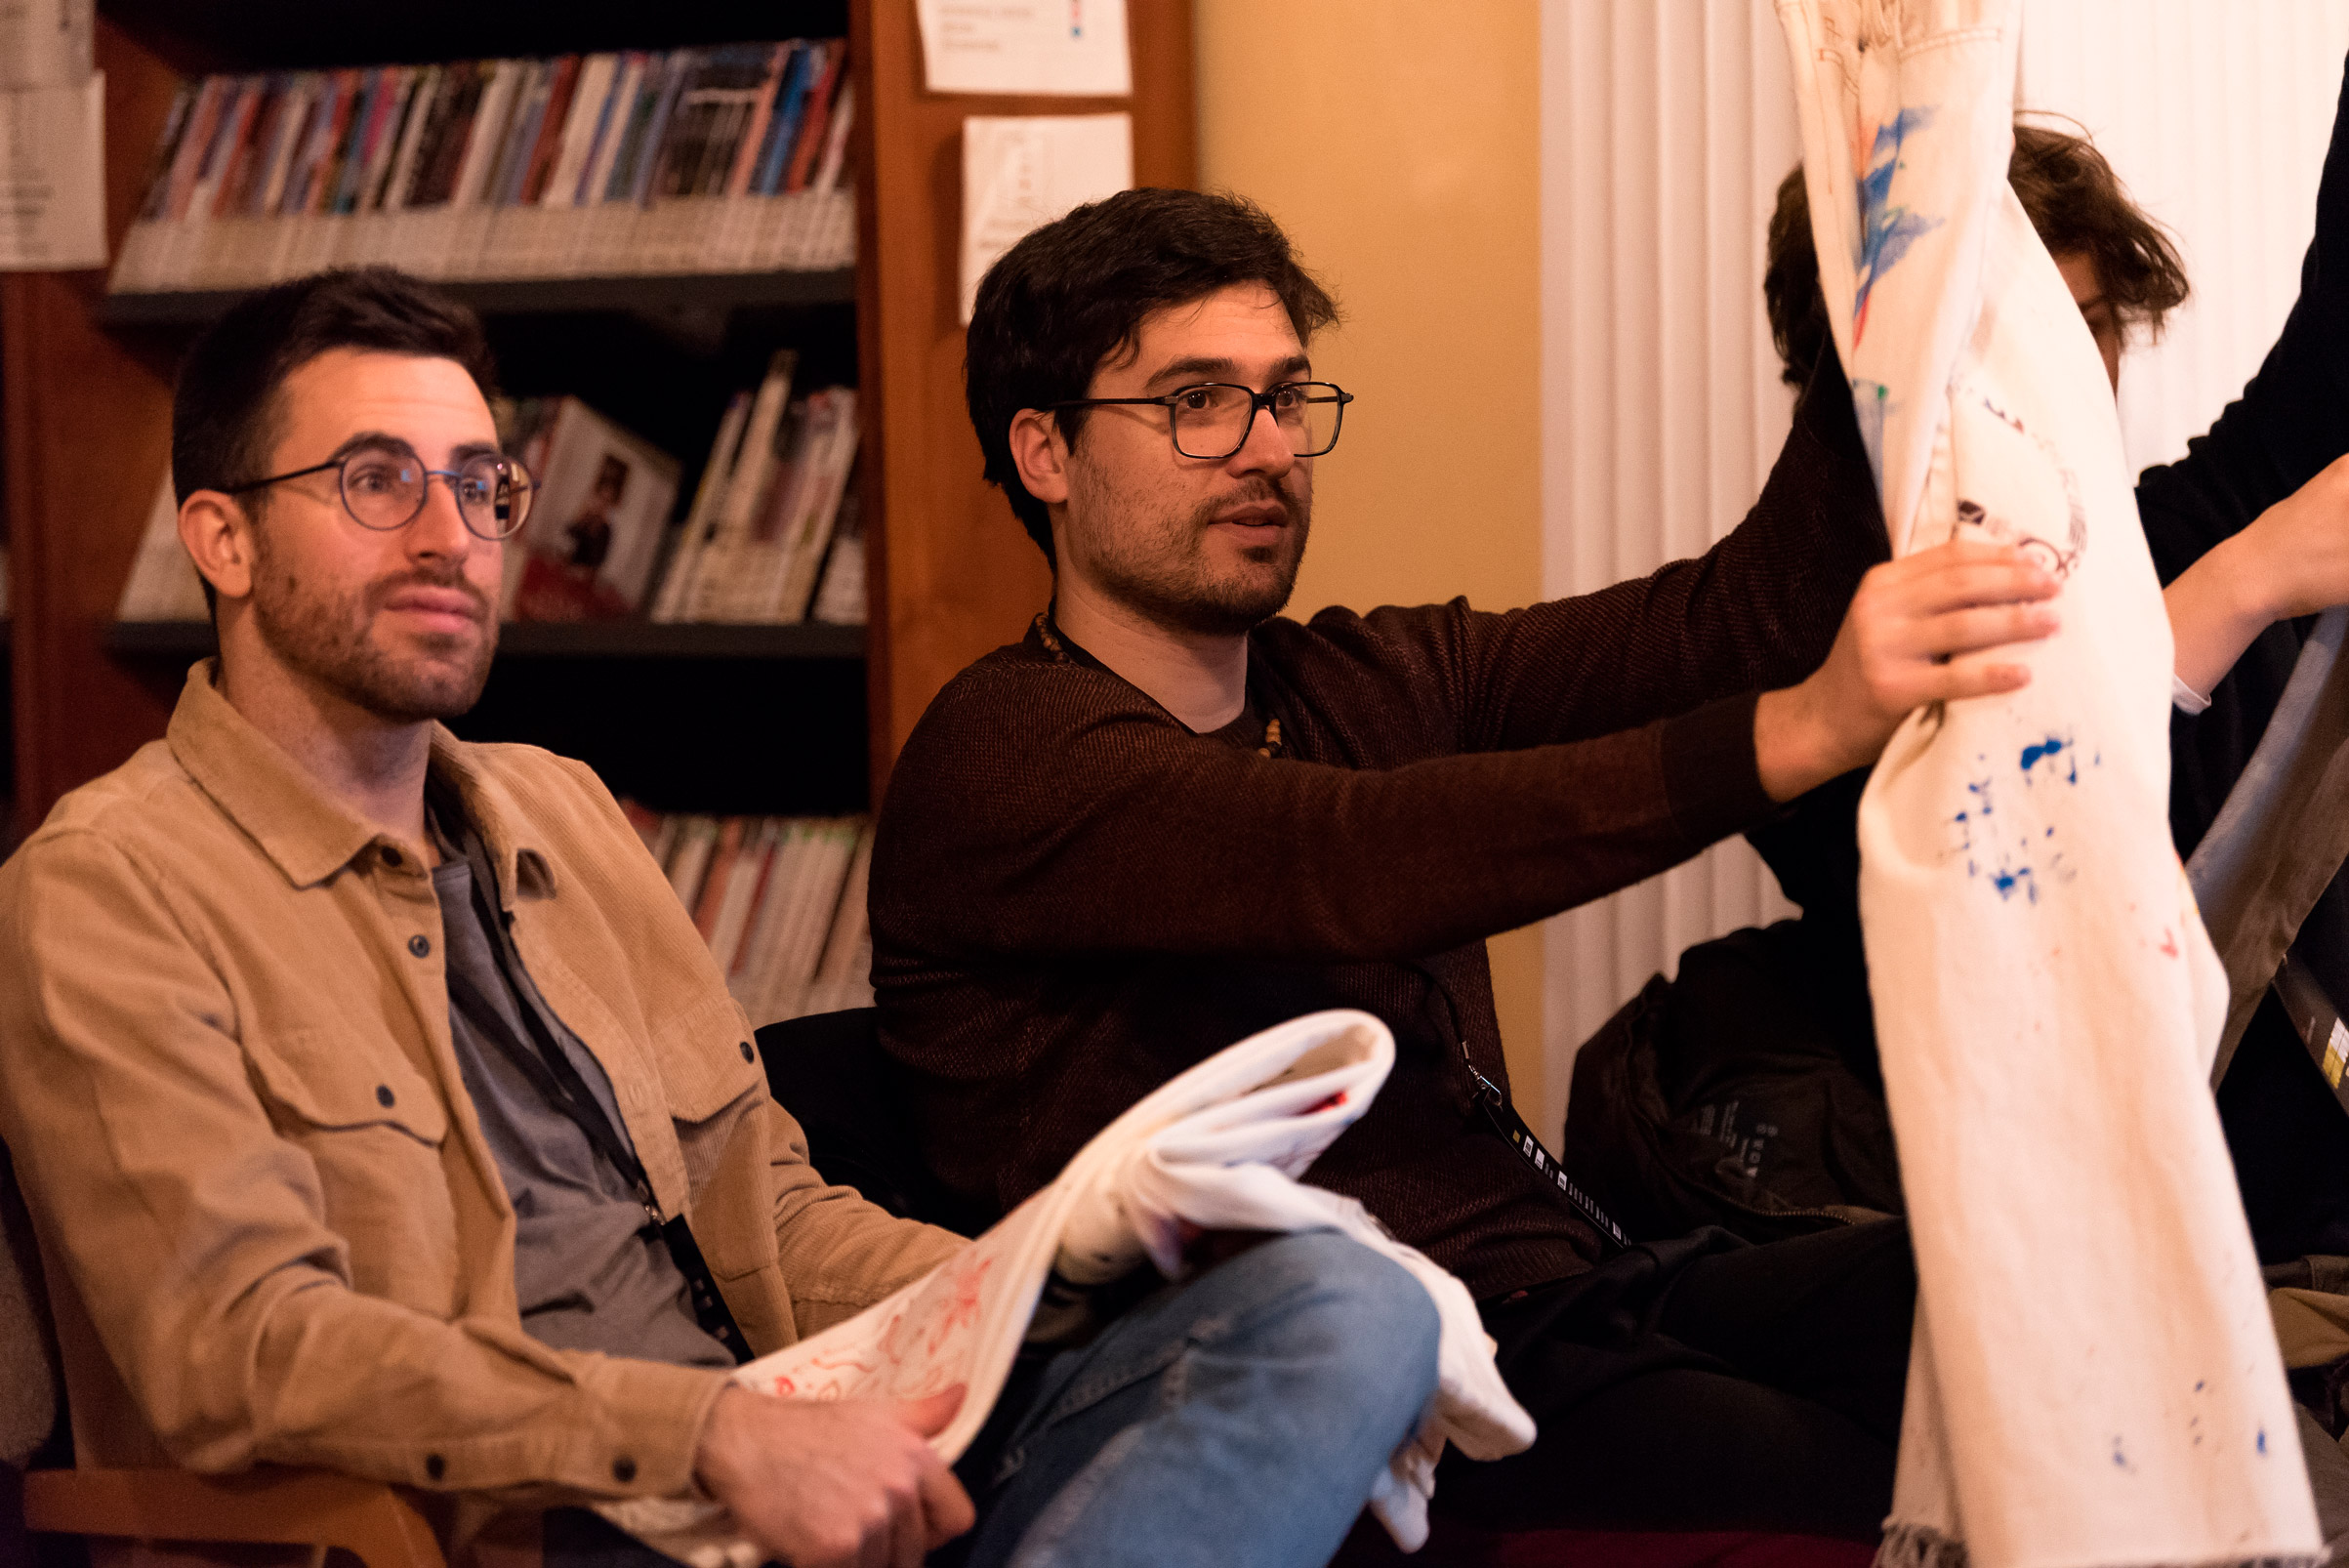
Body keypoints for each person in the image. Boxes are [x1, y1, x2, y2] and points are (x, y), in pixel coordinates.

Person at [0, 266, 1448, 1568]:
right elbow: (245, 1347)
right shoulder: (107, 889)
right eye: (377, 481)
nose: (452, 536)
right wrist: (710, 1434)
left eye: (482, 484)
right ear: (223, 538)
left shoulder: (558, 809)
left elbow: (773, 1214)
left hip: (792, 1450)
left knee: (1344, 1300)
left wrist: (1052, 1272)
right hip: (545, 1513)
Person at [869, 186, 2065, 1539]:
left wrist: (1881, 296)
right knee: (1867, 1492)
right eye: (1198, 401)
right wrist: (1790, 735)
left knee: (2018, 1302)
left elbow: (1735, 620)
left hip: (1563, 1297)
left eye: (1286, 397)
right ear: (1044, 451)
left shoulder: (1365, 679)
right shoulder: (1002, 750)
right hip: (1335, 1402)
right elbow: (1345, 860)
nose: (1267, 448)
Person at [1570, 82, 2349, 1290]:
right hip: (2074, 1267)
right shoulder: (1801, 654)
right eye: (2011, 348)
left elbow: (2332, 353)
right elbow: (1997, 874)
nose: (2063, 388)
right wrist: (2242, 583)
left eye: (2090, 330)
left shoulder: (2143, 537)